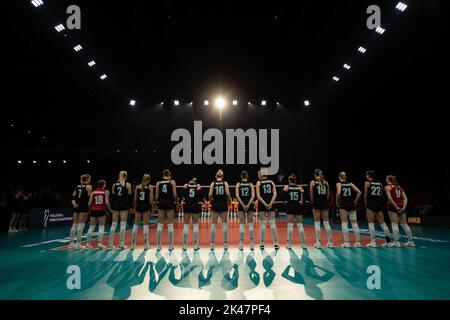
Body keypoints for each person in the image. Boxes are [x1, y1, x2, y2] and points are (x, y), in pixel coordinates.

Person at [385, 175, 415, 247]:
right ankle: (411, 241)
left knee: (394, 224)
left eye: (386, 179)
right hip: (401, 206)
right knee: (404, 224)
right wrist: (403, 207)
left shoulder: (387, 187)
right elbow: (405, 198)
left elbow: (389, 198)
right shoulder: (399, 187)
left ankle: (396, 242)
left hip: (393, 207)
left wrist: (396, 207)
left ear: (389, 180)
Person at [364, 170, 392, 247]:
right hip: (379, 205)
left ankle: (373, 242)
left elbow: (365, 195)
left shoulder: (367, 183)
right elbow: (381, 194)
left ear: (369, 176)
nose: (366, 176)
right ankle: (388, 241)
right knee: (383, 223)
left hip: (371, 204)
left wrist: (366, 205)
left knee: (371, 223)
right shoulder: (380, 183)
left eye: (366, 175)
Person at [336, 172, 362, 247]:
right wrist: (355, 201)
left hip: (344, 204)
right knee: (354, 223)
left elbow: (338, 193)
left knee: (344, 223)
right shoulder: (350, 184)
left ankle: (347, 242)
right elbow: (359, 192)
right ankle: (358, 242)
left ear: (339, 177)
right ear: (345, 177)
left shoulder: (339, 184)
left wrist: (336, 201)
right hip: (351, 204)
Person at [208, 169, 232, 250]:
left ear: (216, 176)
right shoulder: (225, 183)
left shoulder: (213, 184)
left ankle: (212, 244)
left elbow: (210, 194)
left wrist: (212, 200)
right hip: (223, 204)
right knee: (224, 224)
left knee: (213, 224)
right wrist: (230, 201)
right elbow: (228, 194)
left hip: (215, 204)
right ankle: (225, 244)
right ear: (222, 176)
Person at [256, 170, 279, 250]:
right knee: (272, 223)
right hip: (270, 203)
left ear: (262, 175)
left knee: (262, 224)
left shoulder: (259, 183)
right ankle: (276, 243)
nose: (258, 176)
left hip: (262, 204)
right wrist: (270, 203)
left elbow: (258, 196)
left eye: (259, 174)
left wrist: (265, 204)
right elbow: (275, 194)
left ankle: (262, 243)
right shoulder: (272, 182)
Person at [310, 169, 333, 248]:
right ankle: (330, 242)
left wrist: (313, 202)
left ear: (315, 174)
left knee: (317, 223)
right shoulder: (326, 183)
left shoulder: (313, 182)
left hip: (316, 203)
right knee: (326, 223)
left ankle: (318, 242)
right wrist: (324, 202)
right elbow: (327, 196)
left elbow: (311, 195)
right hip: (324, 203)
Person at [155, 169, 178, 251]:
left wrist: (155, 205)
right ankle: (170, 245)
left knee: (160, 224)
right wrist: (177, 203)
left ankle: (158, 245)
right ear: (169, 175)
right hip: (170, 203)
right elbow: (175, 195)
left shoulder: (158, 183)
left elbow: (157, 196)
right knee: (170, 224)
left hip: (161, 203)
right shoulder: (172, 182)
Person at [109, 171, 132, 250]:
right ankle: (121, 244)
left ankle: (110, 244)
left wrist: (112, 207)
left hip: (115, 205)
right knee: (123, 224)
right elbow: (129, 197)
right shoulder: (128, 184)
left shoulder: (114, 185)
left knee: (114, 224)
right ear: (126, 176)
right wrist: (130, 207)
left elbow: (112, 196)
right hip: (124, 205)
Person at [69, 174, 92, 249]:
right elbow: (89, 199)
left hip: (76, 206)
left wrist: (74, 203)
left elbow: (73, 197)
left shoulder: (77, 186)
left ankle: (71, 243)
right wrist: (89, 209)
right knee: (81, 225)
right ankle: (78, 244)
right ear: (87, 179)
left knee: (74, 225)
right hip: (84, 207)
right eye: (90, 178)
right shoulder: (89, 187)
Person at [283, 174, 306, 249]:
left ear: (289, 180)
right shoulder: (299, 188)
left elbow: (283, 197)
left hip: (290, 206)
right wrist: (301, 202)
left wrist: (285, 201)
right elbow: (304, 198)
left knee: (290, 225)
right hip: (298, 206)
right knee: (300, 225)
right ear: (295, 181)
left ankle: (289, 244)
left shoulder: (287, 187)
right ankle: (303, 243)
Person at [87, 180, 111, 249]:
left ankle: (88, 243)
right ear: (104, 185)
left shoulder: (93, 192)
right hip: (101, 211)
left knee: (91, 227)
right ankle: (99, 243)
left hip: (93, 211)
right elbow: (106, 202)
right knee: (101, 227)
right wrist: (109, 210)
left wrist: (89, 211)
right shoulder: (106, 192)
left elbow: (89, 203)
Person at [235, 170, 256, 250]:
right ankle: (252, 244)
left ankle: (241, 244)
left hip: (241, 205)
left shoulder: (238, 184)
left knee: (241, 224)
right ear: (247, 176)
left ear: (241, 176)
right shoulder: (250, 184)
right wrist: (248, 204)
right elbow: (253, 195)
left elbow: (237, 195)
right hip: (249, 205)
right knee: (250, 224)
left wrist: (243, 204)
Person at [132, 174, 153, 250]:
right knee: (145, 225)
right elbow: (151, 200)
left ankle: (133, 244)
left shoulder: (138, 186)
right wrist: (153, 207)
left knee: (136, 225)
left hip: (139, 206)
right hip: (146, 207)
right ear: (148, 180)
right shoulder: (150, 187)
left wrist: (134, 208)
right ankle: (146, 244)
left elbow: (135, 199)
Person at [182, 178, 202, 250]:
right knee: (195, 225)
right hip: (195, 206)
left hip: (187, 206)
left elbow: (183, 196)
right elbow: (200, 197)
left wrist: (184, 188)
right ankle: (196, 244)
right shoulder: (197, 186)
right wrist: (199, 189)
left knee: (186, 225)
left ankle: (184, 244)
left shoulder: (186, 187)